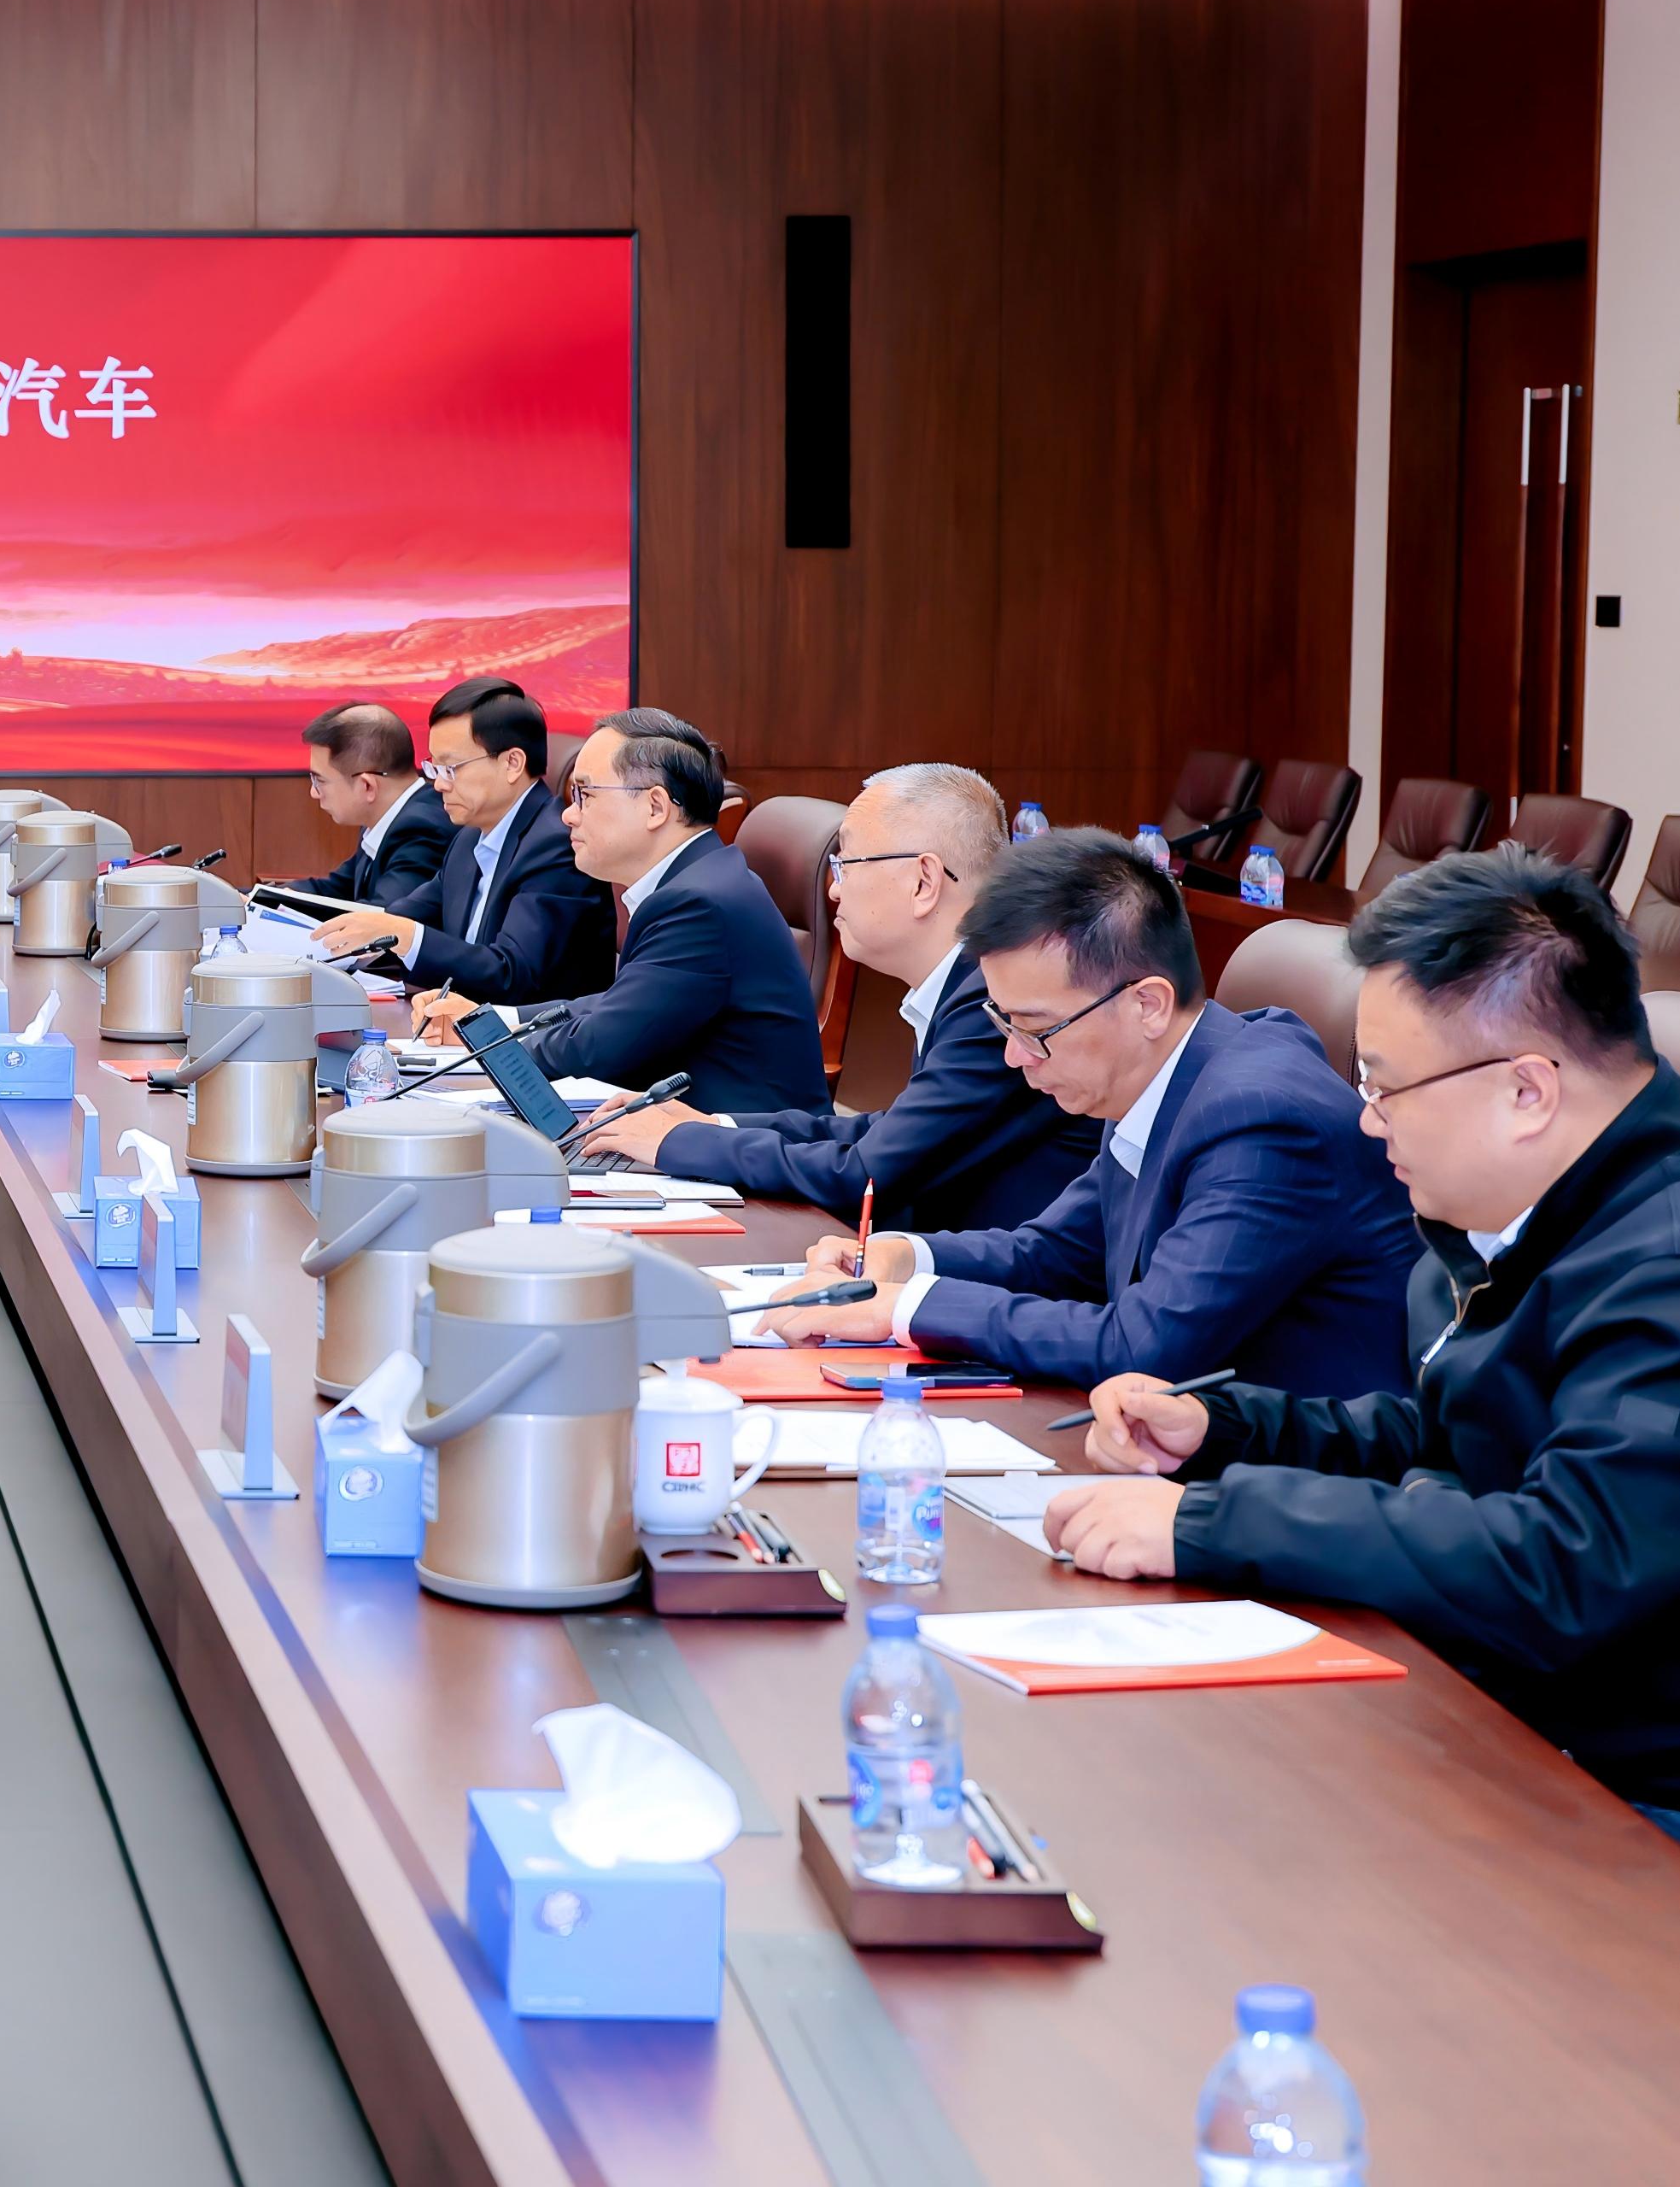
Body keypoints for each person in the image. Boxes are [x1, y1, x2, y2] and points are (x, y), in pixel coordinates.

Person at [1043, 851, 1680, 1832]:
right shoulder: (1526, 1212)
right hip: (1502, 1714)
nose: (1367, 1122)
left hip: (1624, 1799)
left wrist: (1215, 1522)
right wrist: (1221, 1429)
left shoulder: (1658, 1262)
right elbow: (1453, 1434)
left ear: (1527, 1091)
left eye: (1385, 1087)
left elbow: (1564, 1563)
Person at [759, 827, 1417, 1395]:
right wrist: (901, 1257)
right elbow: (1055, 1253)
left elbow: (1143, 1344)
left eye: (1035, 1028)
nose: (1015, 1056)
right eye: (1003, 1022)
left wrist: (904, 1309)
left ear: (1147, 1004)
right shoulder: (1160, 1072)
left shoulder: (1261, 1119)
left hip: (1282, 1469)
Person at [604, 763, 1098, 1233]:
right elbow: (887, 1132)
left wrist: (680, 1143)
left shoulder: (993, 1003)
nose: (834, 892)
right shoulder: (965, 984)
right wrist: (715, 1125)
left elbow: (866, 1170)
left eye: (845, 865)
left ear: (923, 882)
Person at [412, 708, 828, 1117]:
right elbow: (619, 1004)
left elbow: (603, 1045)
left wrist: (483, 1046)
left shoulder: (698, 904)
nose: (568, 815)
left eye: (585, 795)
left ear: (655, 807)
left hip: (748, 1148)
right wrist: (490, 1020)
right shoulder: (699, 879)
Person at [308, 679, 611, 1002]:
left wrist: (405, 935)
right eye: (435, 768)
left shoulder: (556, 846)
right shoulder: (468, 839)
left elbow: (513, 974)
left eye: (451, 769)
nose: (439, 784)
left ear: (512, 763)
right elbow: (402, 916)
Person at [283, 700, 449, 913]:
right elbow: (335, 890)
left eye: (320, 781)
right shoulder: (385, 818)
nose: (314, 793)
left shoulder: (422, 830)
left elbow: (383, 919)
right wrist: (253, 898)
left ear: (367, 786)